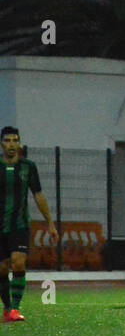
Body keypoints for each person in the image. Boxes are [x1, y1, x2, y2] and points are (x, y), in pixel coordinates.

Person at [0, 126, 57, 323]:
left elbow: (38, 195)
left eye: (15, 140)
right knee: (2, 269)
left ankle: (15, 309)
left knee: (18, 261)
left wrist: (50, 223)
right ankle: (7, 308)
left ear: (19, 143)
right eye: (7, 141)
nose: (11, 144)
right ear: (1, 144)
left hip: (20, 225)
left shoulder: (28, 167)